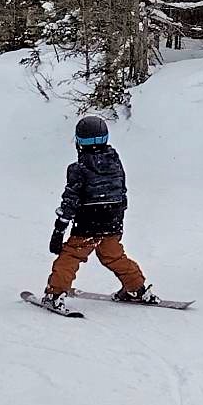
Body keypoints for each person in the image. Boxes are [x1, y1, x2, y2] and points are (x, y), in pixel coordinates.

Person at [44, 114, 158, 313]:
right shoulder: (115, 162)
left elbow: (70, 201)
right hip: (112, 220)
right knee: (112, 255)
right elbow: (121, 192)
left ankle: (55, 293)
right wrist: (117, 219)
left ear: (79, 142)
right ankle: (136, 288)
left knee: (70, 256)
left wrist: (59, 229)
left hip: (88, 223)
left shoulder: (78, 169)